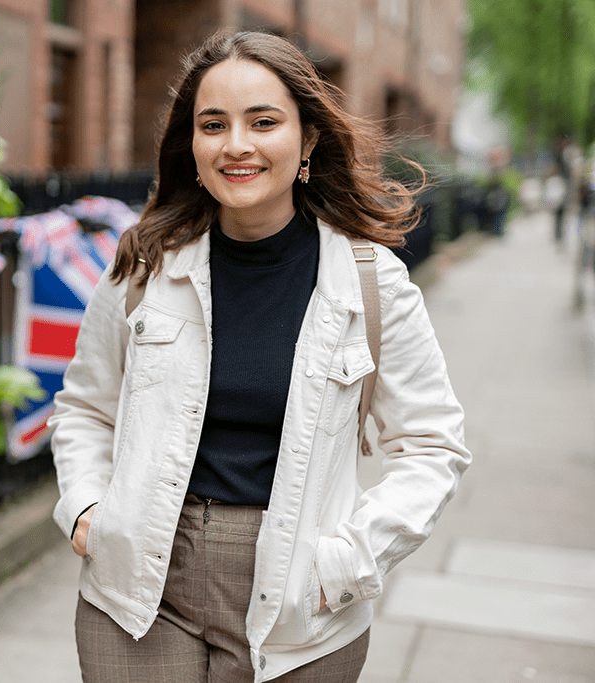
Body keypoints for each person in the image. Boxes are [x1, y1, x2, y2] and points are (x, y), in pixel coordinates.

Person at [49, 30, 470, 683]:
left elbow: (434, 444)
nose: (236, 144)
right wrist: (84, 507)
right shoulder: (144, 266)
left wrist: (353, 558)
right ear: (192, 146)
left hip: (303, 603)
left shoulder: (370, 282)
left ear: (306, 141)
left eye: (263, 122)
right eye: (213, 124)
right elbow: (85, 407)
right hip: (139, 593)